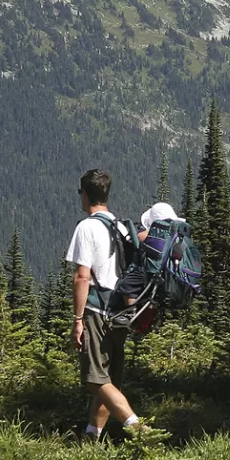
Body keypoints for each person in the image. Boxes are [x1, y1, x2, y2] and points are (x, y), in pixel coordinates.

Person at [66, 168, 145, 440]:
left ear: (85, 195)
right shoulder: (121, 226)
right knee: (107, 379)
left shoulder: (86, 227)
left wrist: (77, 319)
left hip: (97, 311)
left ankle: (140, 431)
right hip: (121, 311)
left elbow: (81, 276)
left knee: (95, 378)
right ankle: (91, 437)